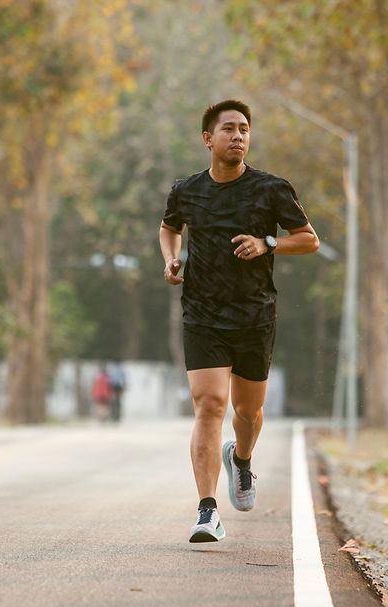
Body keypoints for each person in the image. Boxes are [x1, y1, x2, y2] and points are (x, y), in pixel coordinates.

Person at [158, 99, 320, 543]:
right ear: (208, 138)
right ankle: (207, 511)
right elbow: (170, 227)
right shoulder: (186, 190)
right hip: (203, 313)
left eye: (244, 129)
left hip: (254, 315)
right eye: (229, 128)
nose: (238, 136)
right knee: (210, 405)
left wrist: (268, 243)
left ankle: (241, 459)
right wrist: (171, 259)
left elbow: (308, 240)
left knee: (248, 412)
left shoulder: (272, 189)